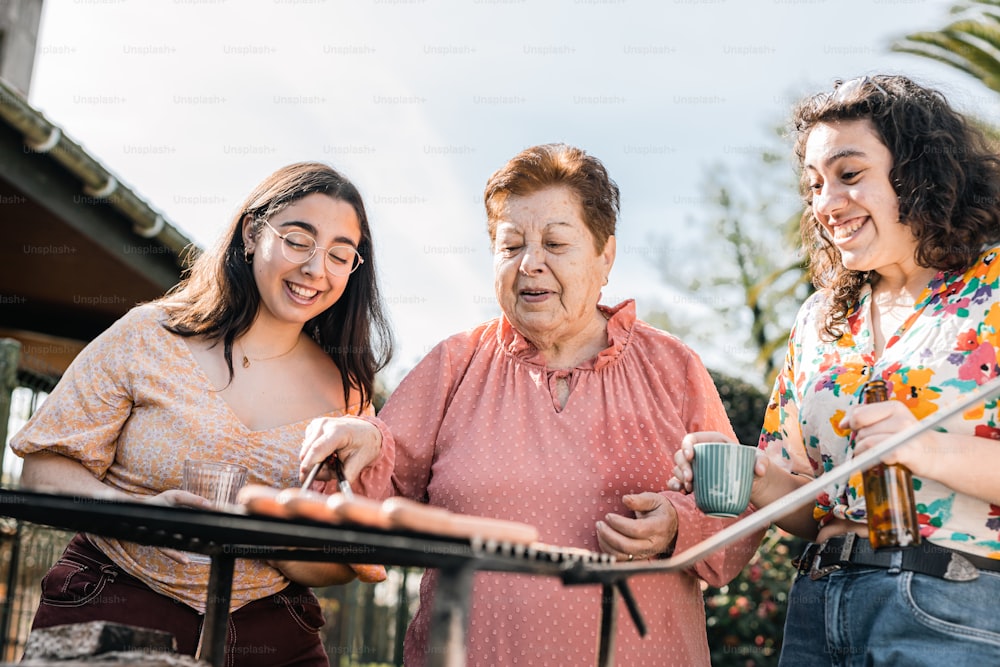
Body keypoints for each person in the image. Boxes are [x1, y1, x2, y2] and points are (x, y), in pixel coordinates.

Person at [302, 143, 763, 666]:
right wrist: (362, 438)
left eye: (555, 243)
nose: (530, 264)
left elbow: (739, 510)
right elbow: (368, 490)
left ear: (604, 256)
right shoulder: (454, 364)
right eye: (511, 245)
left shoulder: (672, 367)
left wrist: (679, 526)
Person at [670, 74, 1000, 666]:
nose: (826, 203)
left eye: (849, 175)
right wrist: (755, 477)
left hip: (951, 609)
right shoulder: (821, 318)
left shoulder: (994, 287)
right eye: (814, 186)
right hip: (818, 608)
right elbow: (807, 502)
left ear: (921, 174)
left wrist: (925, 450)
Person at [10, 162, 395, 666]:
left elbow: (347, 562)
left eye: (340, 256)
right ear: (253, 233)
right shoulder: (149, 335)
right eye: (299, 241)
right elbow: (42, 468)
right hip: (115, 600)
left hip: (270, 632)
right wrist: (137, 516)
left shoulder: (349, 397)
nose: (315, 269)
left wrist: (268, 538)